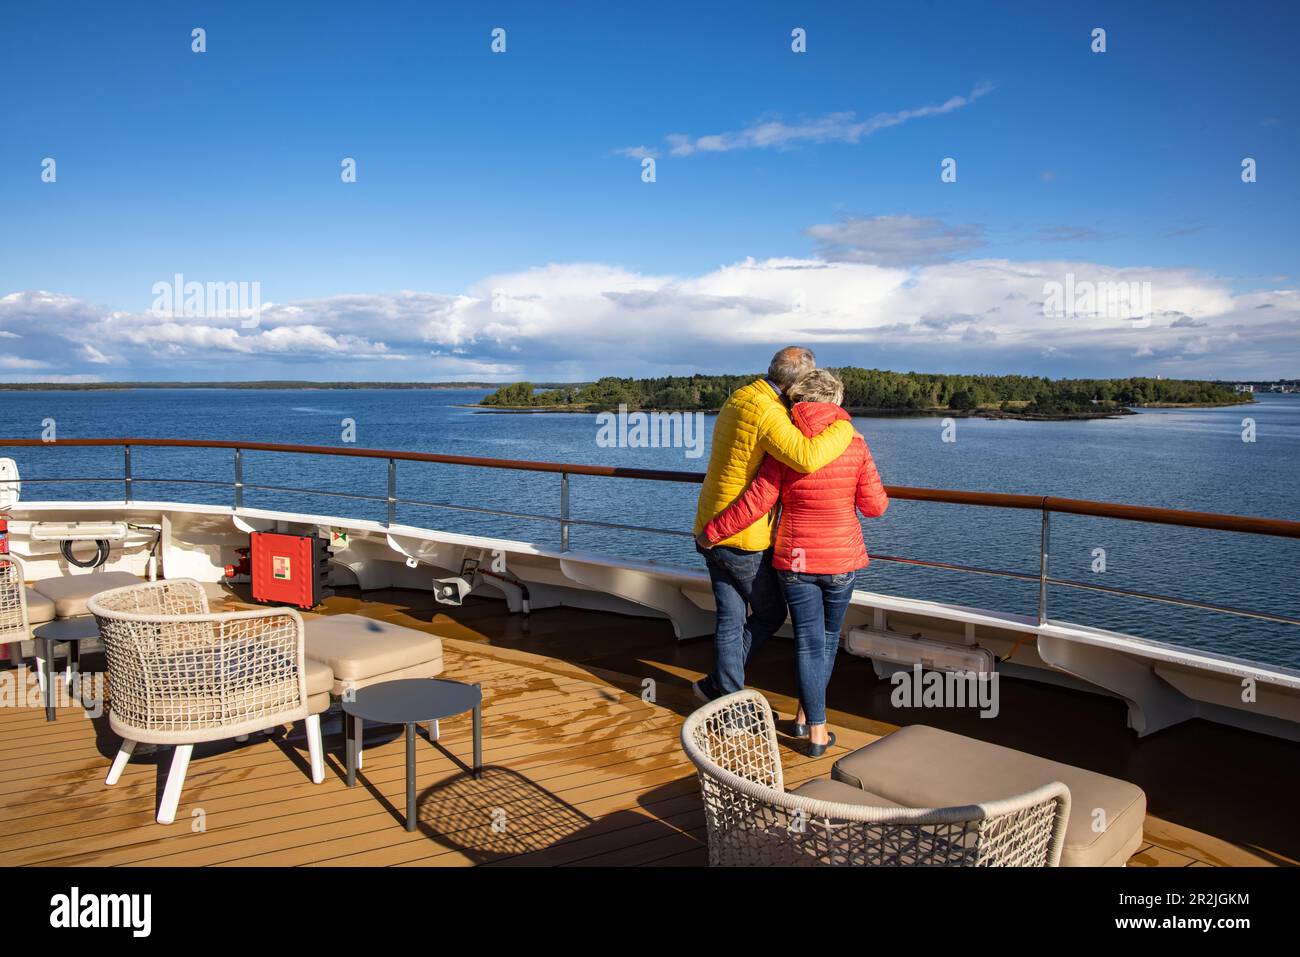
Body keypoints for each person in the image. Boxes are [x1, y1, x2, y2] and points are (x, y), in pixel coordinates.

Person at [699, 369, 888, 755]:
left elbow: (758, 500)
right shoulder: (853, 443)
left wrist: (714, 531)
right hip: (840, 560)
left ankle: (813, 729)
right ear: (834, 401)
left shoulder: (785, 446)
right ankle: (806, 722)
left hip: (795, 561)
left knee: (807, 641)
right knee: (828, 639)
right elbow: (875, 507)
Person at [690, 347, 856, 704]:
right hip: (739, 534)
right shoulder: (769, 412)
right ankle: (725, 696)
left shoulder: (743, 395)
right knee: (770, 613)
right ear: (796, 381)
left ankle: (721, 693)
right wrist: (843, 424)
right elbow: (807, 457)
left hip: (711, 525)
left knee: (731, 620)